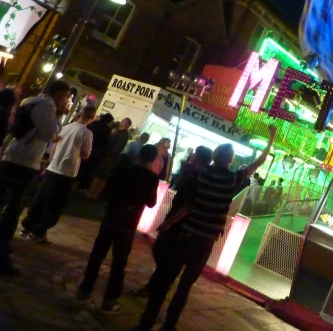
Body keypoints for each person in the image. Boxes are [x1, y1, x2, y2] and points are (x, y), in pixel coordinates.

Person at [135, 126, 277, 331]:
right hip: (205, 242)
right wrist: (270, 139)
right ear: (230, 160)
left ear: (215, 157)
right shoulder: (232, 179)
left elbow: (189, 205)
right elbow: (259, 162)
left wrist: (170, 222)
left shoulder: (202, 173)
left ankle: (146, 323)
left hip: (187, 234)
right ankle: (168, 326)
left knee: (166, 279)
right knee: (184, 287)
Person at [77, 144, 159, 313]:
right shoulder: (151, 178)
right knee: (119, 262)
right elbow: (151, 203)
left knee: (97, 255)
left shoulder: (124, 170)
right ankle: (109, 300)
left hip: (112, 216)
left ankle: (84, 290)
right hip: (129, 223)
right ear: (152, 159)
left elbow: (109, 189)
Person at [0, 80, 70, 275]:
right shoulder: (47, 106)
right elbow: (49, 134)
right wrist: (58, 117)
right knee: (14, 207)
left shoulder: (29, 101)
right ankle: (2, 255)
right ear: (57, 94)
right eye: (65, 96)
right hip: (25, 161)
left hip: (11, 155)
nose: (65, 101)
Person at [131, 145, 213, 297]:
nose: (191, 155)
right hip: (177, 216)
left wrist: (170, 222)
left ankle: (157, 285)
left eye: (194, 154)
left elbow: (189, 204)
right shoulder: (195, 173)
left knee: (163, 250)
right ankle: (159, 282)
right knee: (161, 251)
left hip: (180, 221)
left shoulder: (198, 176)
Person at [20, 105, 96, 242]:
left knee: (41, 197)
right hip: (66, 172)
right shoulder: (86, 133)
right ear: (92, 118)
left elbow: (54, 145)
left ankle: (27, 225)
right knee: (55, 203)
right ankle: (39, 231)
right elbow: (85, 154)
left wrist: (51, 160)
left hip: (53, 167)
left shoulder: (66, 127)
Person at [87, 117, 133, 200]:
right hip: (109, 156)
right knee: (102, 176)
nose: (121, 122)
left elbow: (118, 146)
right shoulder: (119, 131)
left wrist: (110, 155)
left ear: (127, 125)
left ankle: (92, 193)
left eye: (124, 122)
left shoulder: (123, 134)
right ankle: (94, 194)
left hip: (110, 157)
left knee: (100, 175)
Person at [78, 113, 114, 191]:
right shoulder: (107, 129)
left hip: (86, 146)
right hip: (95, 151)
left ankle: (75, 181)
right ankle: (82, 186)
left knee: (80, 165)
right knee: (88, 169)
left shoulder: (93, 123)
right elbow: (105, 142)